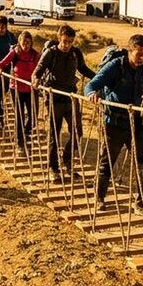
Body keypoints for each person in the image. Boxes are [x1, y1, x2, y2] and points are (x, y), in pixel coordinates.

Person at [85, 34, 143, 213]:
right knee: (107, 162)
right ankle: (99, 198)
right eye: (138, 54)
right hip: (114, 122)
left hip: (135, 120)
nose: (142, 59)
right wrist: (92, 94)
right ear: (130, 51)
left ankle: (141, 203)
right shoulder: (115, 66)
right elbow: (91, 85)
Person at [32, 25, 95, 183]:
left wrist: (98, 79)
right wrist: (36, 80)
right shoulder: (51, 53)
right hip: (54, 97)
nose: (67, 45)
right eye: (65, 41)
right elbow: (38, 71)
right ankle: (53, 168)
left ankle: (67, 161)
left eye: (71, 41)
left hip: (71, 96)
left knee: (77, 131)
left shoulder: (75, 53)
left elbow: (83, 69)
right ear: (59, 38)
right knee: (54, 134)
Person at [0, 31, 40, 152]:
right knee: (19, 115)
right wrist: (0, 70)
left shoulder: (35, 55)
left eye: (28, 43)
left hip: (30, 88)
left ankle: (25, 132)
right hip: (16, 88)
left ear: (31, 43)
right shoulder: (15, 53)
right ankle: (19, 143)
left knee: (33, 115)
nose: (26, 45)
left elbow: (40, 68)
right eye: (24, 42)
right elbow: (2, 63)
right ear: (20, 43)